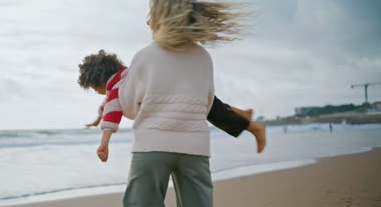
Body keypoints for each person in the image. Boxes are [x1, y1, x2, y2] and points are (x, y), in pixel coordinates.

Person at [87, 0, 258, 207]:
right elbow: (207, 104)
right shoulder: (203, 56)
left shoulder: (145, 56)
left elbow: (130, 109)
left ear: (161, 20)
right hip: (195, 148)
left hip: (152, 147)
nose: (147, 23)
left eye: (150, 17)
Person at [78, 50, 266, 159]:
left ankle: (253, 127)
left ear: (99, 79)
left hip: (173, 100)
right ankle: (243, 114)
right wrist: (95, 122)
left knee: (210, 111)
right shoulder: (125, 78)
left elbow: (111, 113)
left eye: (94, 88)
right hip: (181, 84)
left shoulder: (116, 90)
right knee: (209, 107)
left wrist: (104, 144)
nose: (97, 92)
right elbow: (106, 107)